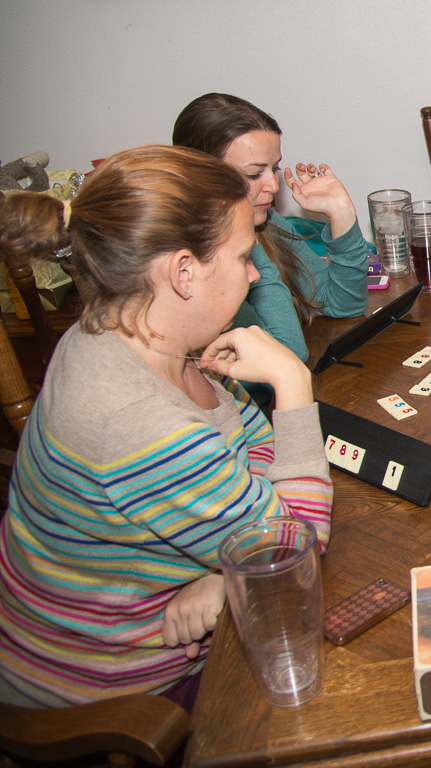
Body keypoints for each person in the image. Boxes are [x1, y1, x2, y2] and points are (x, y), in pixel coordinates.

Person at [0, 145, 334, 708]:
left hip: (141, 616)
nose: (254, 275)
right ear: (183, 272)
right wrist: (293, 386)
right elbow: (300, 545)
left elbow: (254, 449)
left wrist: (230, 568)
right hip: (114, 688)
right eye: (243, 257)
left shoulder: (127, 334)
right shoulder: (139, 423)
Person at [173, 93, 368, 364]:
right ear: (201, 177)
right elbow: (287, 355)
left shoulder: (267, 222)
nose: (274, 186)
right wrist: (247, 243)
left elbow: (343, 303)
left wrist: (341, 213)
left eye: (274, 168)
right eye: (253, 174)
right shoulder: (199, 260)